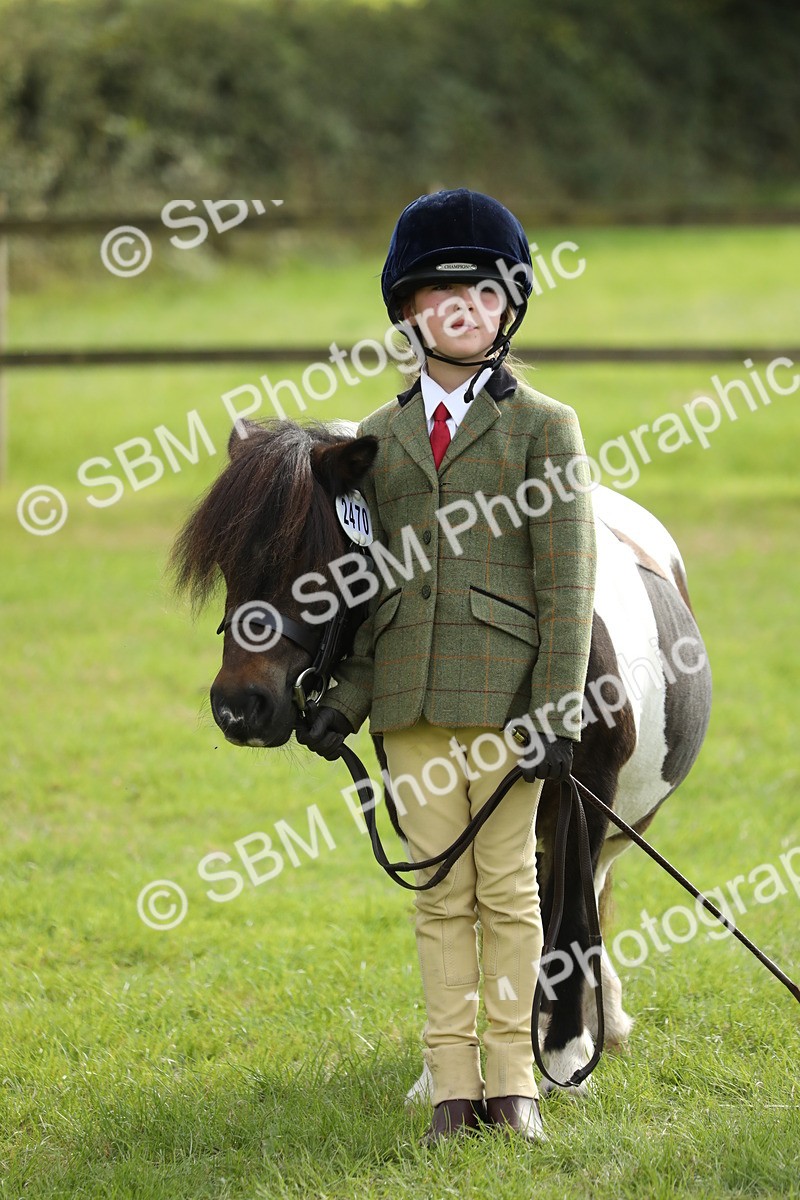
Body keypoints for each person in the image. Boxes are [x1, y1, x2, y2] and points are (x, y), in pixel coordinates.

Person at [297, 189, 596, 1144]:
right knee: (436, 893)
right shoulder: (373, 442)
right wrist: (341, 700)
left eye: (476, 290)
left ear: (507, 308)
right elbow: (372, 594)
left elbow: (567, 588)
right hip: (410, 705)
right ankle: (449, 1089)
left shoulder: (545, 428)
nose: (456, 305)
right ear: (407, 311)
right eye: (435, 291)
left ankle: (513, 1085)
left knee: (508, 889)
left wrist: (556, 709)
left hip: (510, 709)